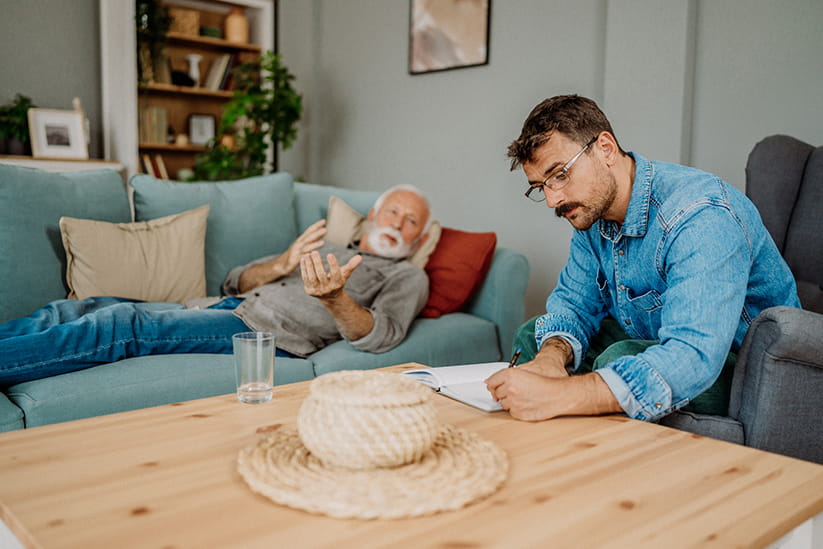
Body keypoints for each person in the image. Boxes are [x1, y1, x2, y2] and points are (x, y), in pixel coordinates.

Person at [487, 94, 799, 422]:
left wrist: (566, 393)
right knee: (534, 337)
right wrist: (551, 357)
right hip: (657, 341)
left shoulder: (700, 216)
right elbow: (574, 306)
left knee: (618, 358)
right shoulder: (591, 216)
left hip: (741, 368)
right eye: (540, 187)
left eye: (560, 174)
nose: (553, 199)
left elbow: (693, 356)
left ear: (605, 148)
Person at [0, 185, 432, 386]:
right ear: (372, 215)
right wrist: (282, 262)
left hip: (268, 333)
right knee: (75, 308)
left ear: (420, 237)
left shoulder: (407, 276)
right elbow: (234, 279)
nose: (397, 222)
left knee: (122, 324)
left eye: (411, 220)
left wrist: (336, 300)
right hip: (221, 304)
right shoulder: (325, 243)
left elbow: (381, 337)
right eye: (392, 211)